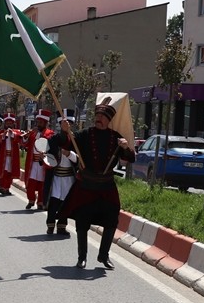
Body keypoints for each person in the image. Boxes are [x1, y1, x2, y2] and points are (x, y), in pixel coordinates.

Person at [59, 97, 135, 270]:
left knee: (111, 220)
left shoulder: (116, 137)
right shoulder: (85, 134)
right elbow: (67, 143)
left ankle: (103, 256)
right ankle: (82, 258)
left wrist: (124, 147)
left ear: (109, 120)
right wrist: (65, 132)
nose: (98, 119)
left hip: (106, 187)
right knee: (82, 222)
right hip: (86, 185)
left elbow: (129, 158)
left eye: (102, 116)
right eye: (97, 115)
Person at [44, 110, 78, 236]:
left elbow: (79, 159)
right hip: (56, 176)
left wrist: (70, 154)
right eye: (65, 123)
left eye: (69, 123)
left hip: (69, 176)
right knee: (54, 201)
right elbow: (48, 155)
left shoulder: (76, 139)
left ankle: (62, 227)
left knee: (66, 203)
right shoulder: (53, 139)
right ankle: (50, 225)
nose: (67, 125)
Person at [22, 110, 55, 209]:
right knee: (30, 183)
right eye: (38, 122)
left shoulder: (50, 134)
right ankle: (31, 200)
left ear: (45, 123)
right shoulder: (33, 133)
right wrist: (26, 136)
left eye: (41, 122)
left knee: (42, 184)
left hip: (43, 163)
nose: (38, 124)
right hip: (32, 163)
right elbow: (24, 144)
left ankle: (40, 202)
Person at [0, 114, 24, 196]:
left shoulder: (16, 132)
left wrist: (12, 133)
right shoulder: (1, 132)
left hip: (12, 157)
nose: (9, 125)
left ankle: (7, 188)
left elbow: (19, 138)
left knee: (10, 172)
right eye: (7, 123)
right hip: (4, 157)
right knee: (4, 172)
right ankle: (2, 187)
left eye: (10, 123)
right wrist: (4, 135)